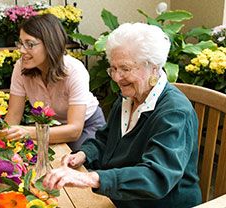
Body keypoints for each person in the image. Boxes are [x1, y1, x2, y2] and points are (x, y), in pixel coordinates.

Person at [43, 22, 202, 207]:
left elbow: (157, 176)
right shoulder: (128, 98)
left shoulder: (174, 112)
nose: (117, 77)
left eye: (125, 69)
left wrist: (90, 179)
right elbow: (105, 139)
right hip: (120, 199)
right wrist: (84, 154)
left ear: (154, 68)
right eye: (113, 68)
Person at [2, 14, 106, 151]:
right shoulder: (21, 67)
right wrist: (2, 144)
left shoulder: (74, 70)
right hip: (50, 127)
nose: (21, 50)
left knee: (77, 162)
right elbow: (13, 116)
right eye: (21, 43)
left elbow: (74, 130)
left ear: (50, 44)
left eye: (30, 44)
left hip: (86, 126)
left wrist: (29, 132)